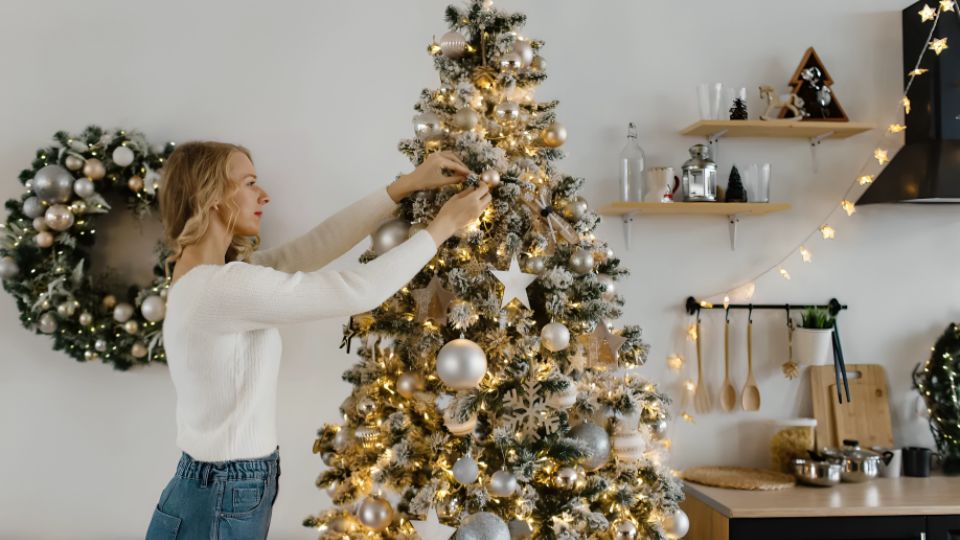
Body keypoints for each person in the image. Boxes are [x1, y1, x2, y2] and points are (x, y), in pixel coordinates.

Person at [145, 141, 490, 540]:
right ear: (213, 197)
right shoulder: (220, 288)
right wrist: (443, 227)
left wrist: (404, 187)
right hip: (221, 491)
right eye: (250, 183)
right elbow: (357, 290)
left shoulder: (212, 277)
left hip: (215, 487)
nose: (264, 195)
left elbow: (314, 246)